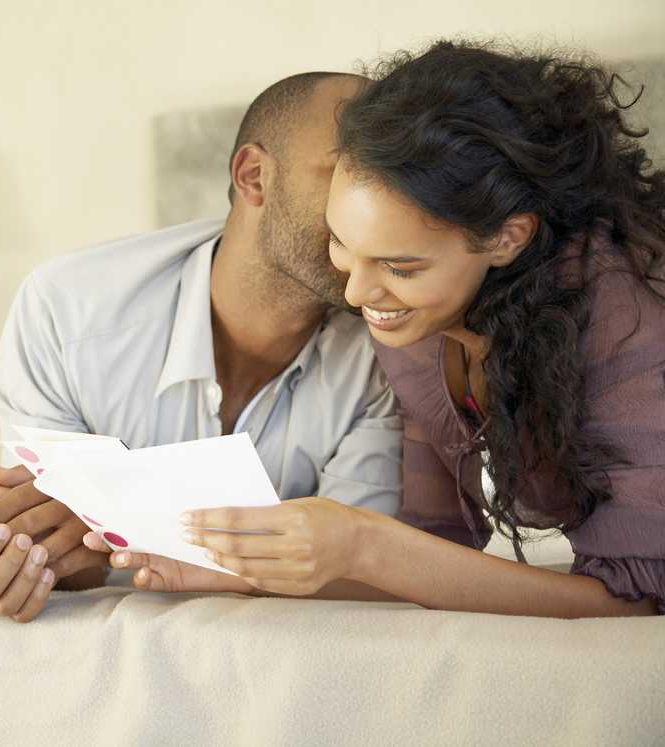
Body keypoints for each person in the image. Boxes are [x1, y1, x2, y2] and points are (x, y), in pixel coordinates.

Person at [112, 40, 665, 618]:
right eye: (342, 246)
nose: (356, 295)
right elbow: (437, 550)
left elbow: (639, 603)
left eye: (400, 266)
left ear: (508, 237)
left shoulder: (624, 321)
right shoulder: (418, 329)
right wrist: (247, 573)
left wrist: (364, 542)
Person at [0, 72, 405, 622]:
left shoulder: (392, 347)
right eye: (345, 175)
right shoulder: (66, 310)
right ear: (253, 176)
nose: (380, 210)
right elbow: (60, 547)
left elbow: (358, 573)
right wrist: (25, 551)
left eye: (394, 182)